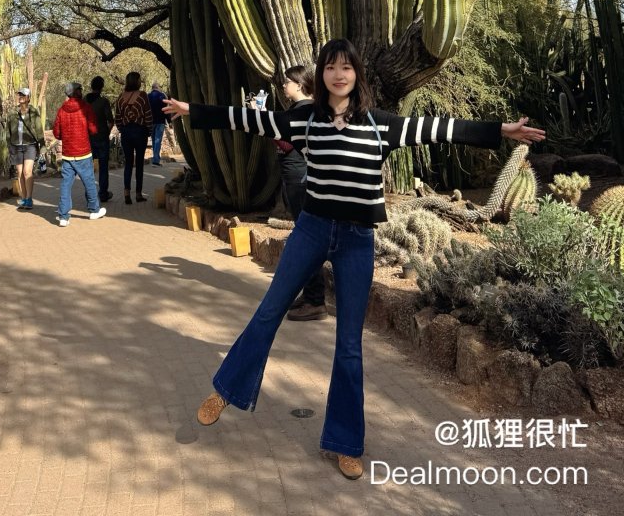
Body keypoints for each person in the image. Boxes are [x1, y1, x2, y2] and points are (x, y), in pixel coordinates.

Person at [163, 37, 545, 481]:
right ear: (321, 76)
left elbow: (440, 128)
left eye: (346, 67)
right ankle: (227, 389)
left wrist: (502, 131)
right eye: (330, 67)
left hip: (357, 241)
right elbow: (254, 120)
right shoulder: (306, 120)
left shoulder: (381, 125)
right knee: (269, 311)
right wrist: (194, 111)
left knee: (348, 343)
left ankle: (345, 442)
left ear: (357, 74)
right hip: (311, 230)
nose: (338, 74)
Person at [276, 66, 328, 321]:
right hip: (297, 175)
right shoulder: (307, 110)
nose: (283, 85)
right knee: (306, 235)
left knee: (307, 238)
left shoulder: (303, 111)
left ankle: (316, 300)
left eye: (286, 81)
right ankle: (310, 294)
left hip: (298, 177)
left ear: (298, 84)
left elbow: (287, 143)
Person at [51, 82, 107, 226]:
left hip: (68, 154)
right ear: (76, 92)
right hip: (83, 152)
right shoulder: (85, 107)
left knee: (65, 184)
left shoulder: (61, 110)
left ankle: (63, 216)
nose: (82, 91)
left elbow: (57, 133)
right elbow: (93, 129)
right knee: (89, 181)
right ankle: (94, 210)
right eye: (80, 89)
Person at [114, 71, 153, 204]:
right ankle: (138, 194)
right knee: (140, 164)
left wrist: (122, 129)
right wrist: (149, 130)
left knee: (128, 164)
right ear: (137, 81)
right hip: (140, 131)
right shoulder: (142, 96)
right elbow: (148, 114)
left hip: (126, 133)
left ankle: (126, 194)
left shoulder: (120, 98)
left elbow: (117, 118)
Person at [6, 87, 44, 210]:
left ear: (28, 98)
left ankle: (29, 198)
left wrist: (42, 146)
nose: (21, 96)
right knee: (20, 173)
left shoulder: (33, 111)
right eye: (20, 95)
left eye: (23, 95)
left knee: (28, 172)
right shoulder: (12, 112)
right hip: (16, 146)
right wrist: (9, 145)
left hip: (30, 145)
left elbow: (38, 129)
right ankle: (23, 198)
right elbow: (8, 130)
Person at [86, 75, 115, 202]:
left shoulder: (84, 100)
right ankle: (103, 193)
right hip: (102, 137)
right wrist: (107, 132)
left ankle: (89, 194)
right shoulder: (103, 102)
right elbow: (110, 120)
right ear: (101, 87)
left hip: (87, 138)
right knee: (103, 167)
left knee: (88, 167)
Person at [148, 81, 168, 165]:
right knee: (157, 139)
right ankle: (156, 159)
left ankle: (155, 157)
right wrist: (169, 121)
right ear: (157, 87)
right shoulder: (162, 95)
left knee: (154, 139)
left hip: (151, 121)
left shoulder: (147, 96)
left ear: (152, 88)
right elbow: (166, 108)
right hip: (160, 121)